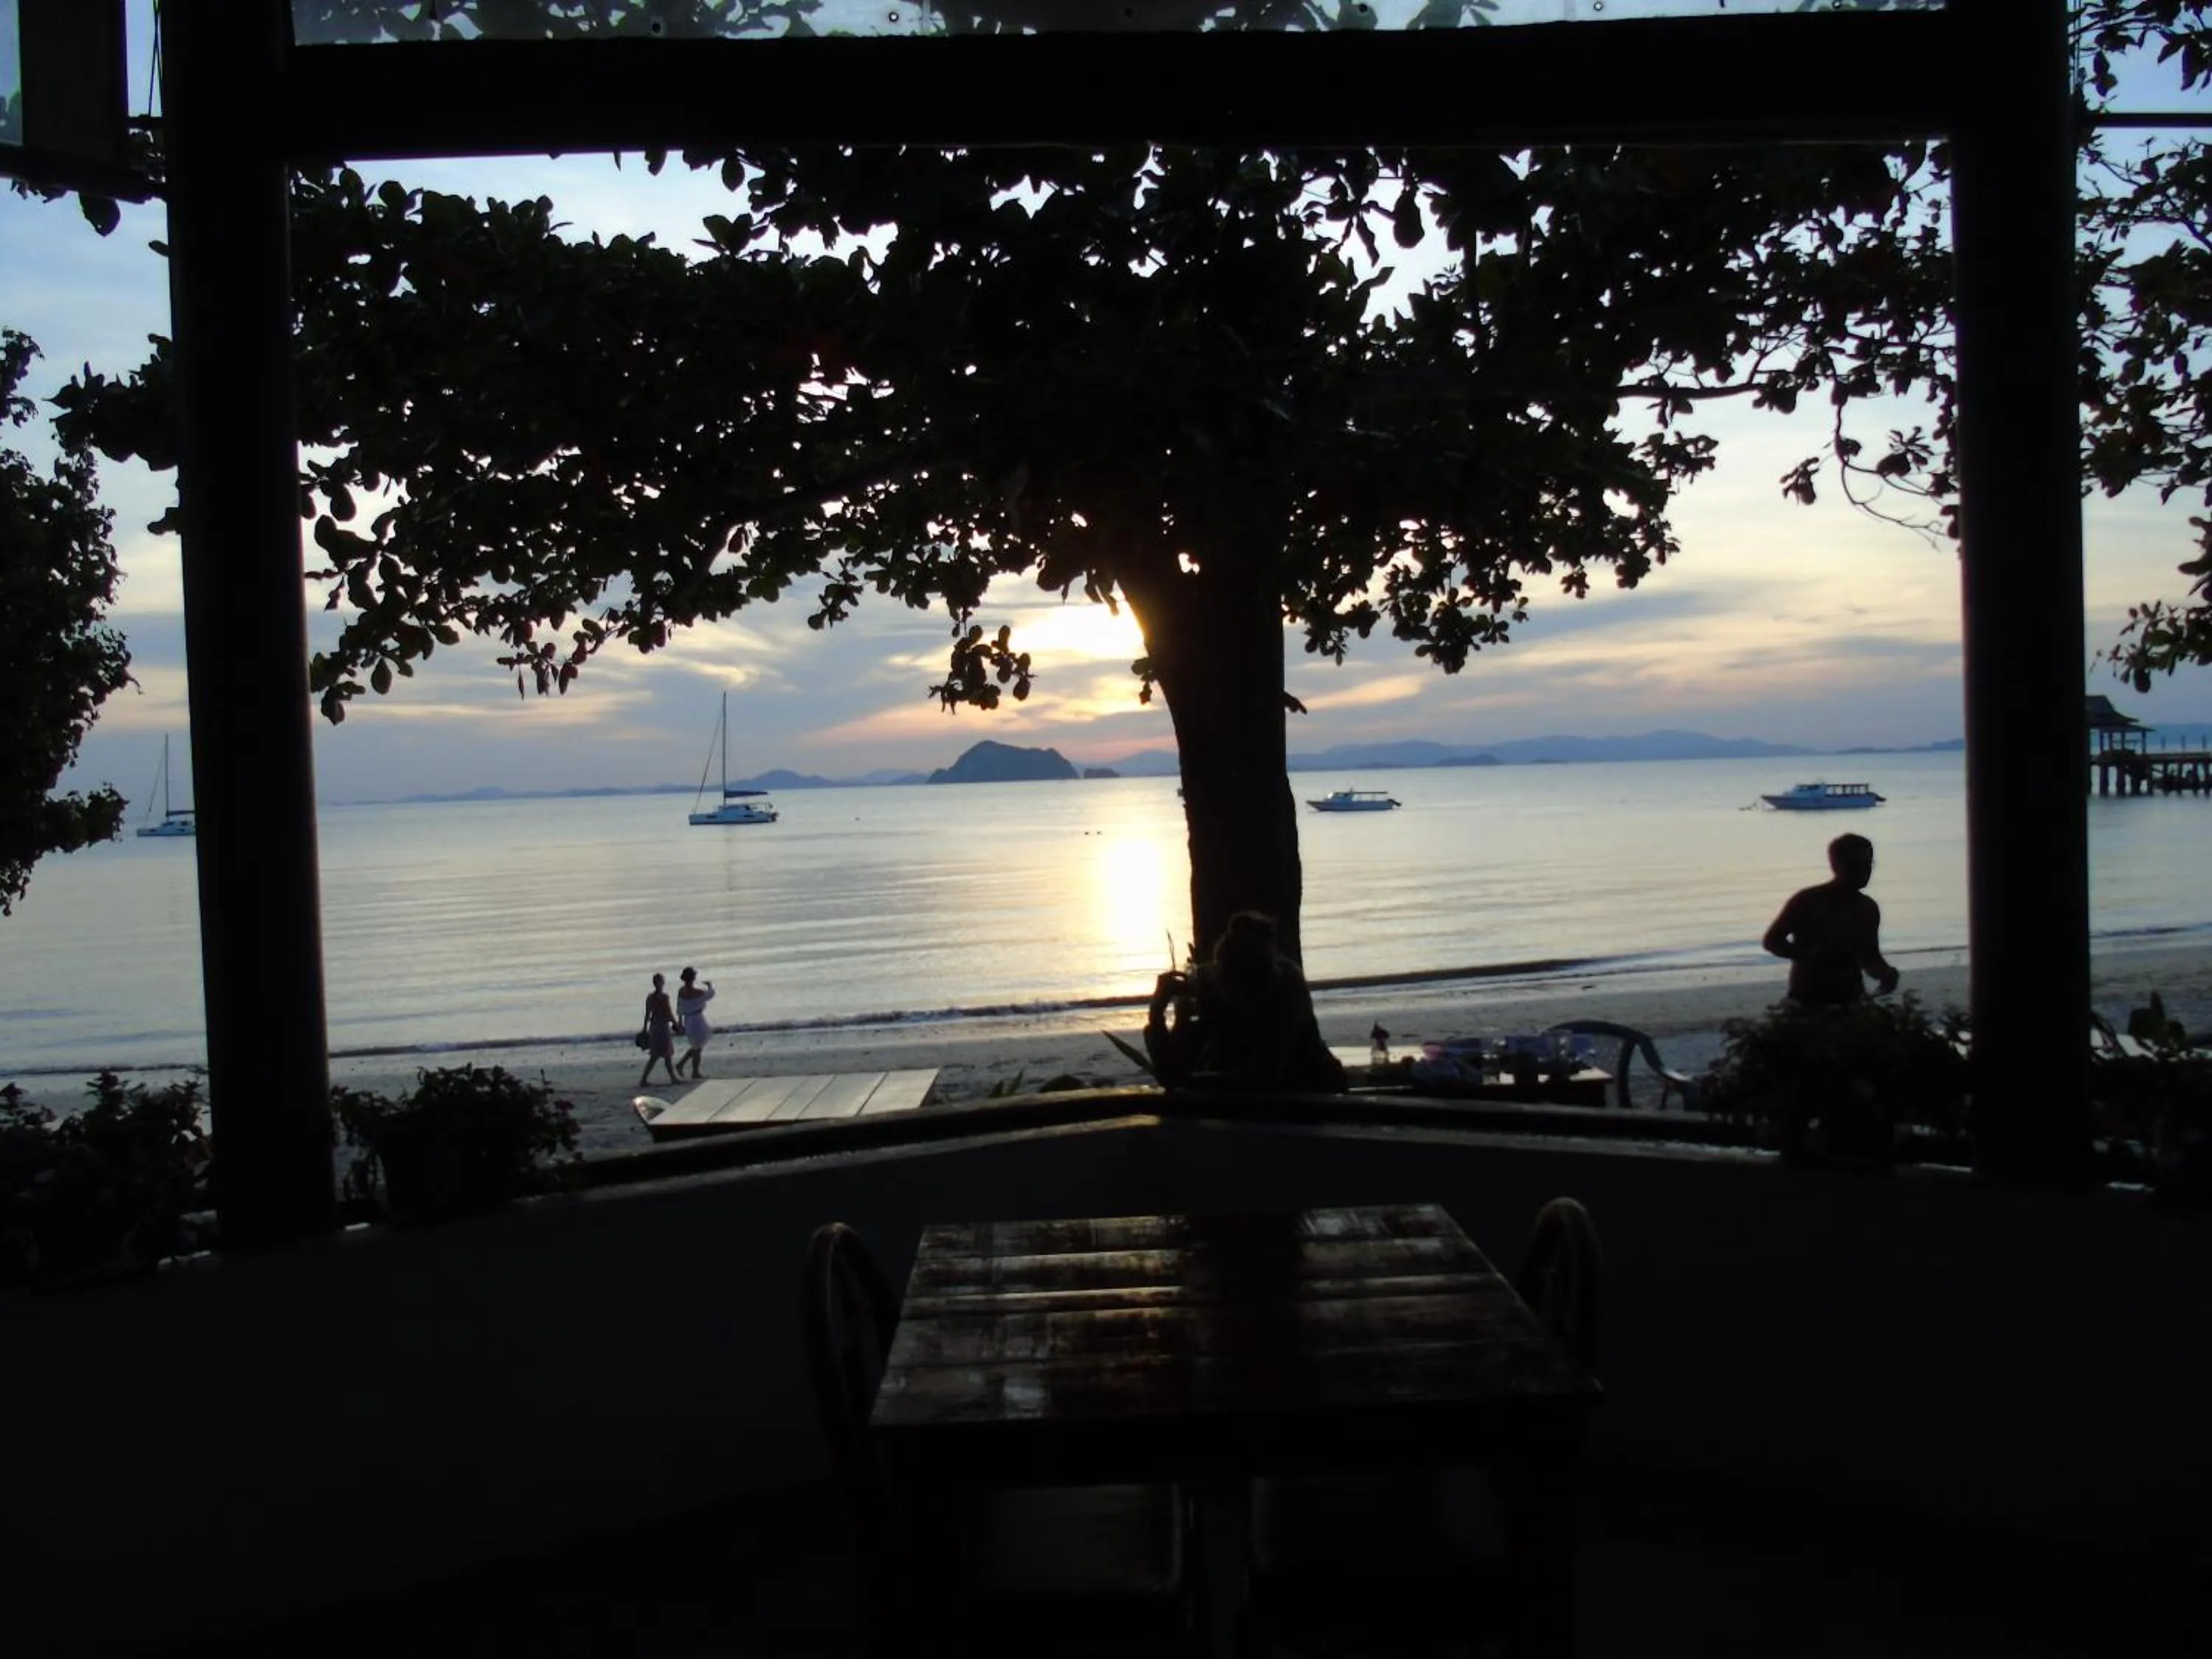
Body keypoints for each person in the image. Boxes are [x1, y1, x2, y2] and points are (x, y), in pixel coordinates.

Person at [1144, 910, 1348, 1094]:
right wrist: (1158, 1014)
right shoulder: (1212, 986)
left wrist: (1193, 1081)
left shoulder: (1287, 989)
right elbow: (1171, 1075)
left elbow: (1263, 1077)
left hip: (1312, 1096)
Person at [1761, 832, 1900, 1006]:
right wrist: (1809, 956)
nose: (1864, 872)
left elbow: (1870, 957)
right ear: (1836, 866)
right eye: (1855, 866)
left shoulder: (1868, 908)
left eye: (1868, 865)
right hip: (1807, 997)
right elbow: (1772, 941)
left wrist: (1886, 974)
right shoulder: (1808, 900)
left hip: (1851, 997)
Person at [639, 972, 679, 1088]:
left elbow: (647, 1015)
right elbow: (669, 1014)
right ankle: (673, 1078)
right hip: (662, 1027)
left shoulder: (650, 998)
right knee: (666, 1055)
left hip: (654, 1027)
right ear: (661, 983)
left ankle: (645, 1079)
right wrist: (676, 1025)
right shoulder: (664, 997)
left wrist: (645, 1028)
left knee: (655, 1055)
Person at [675, 966, 716, 1080]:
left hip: (688, 1019)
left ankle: (690, 1069)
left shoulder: (682, 991)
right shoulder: (696, 992)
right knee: (698, 1046)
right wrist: (709, 986)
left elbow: (679, 1008)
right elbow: (710, 995)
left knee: (696, 1046)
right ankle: (690, 1069)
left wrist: (680, 1022)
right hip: (697, 1019)